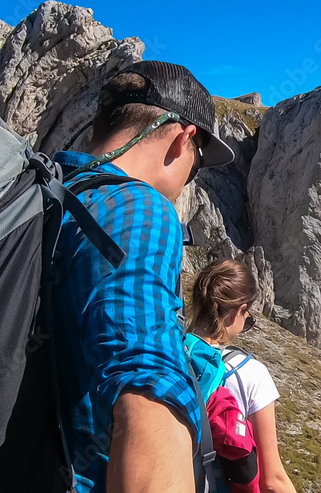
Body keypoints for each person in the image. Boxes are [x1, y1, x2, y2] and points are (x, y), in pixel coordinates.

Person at [51, 60, 235, 493]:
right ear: (183, 138)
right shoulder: (140, 210)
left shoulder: (53, 193)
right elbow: (147, 383)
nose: (192, 176)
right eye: (200, 160)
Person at [188, 260, 297, 493]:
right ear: (237, 312)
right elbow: (272, 481)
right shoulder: (251, 373)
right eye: (247, 318)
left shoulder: (167, 354)